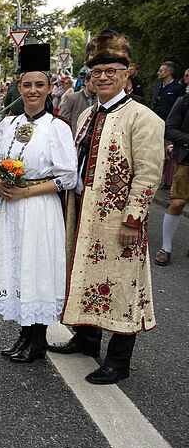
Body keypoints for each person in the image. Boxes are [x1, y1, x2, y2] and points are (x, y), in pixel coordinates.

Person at [51, 30, 164, 385]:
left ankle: (119, 360)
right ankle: (86, 339)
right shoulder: (86, 116)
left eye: (111, 70)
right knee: (85, 276)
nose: (102, 76)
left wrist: (133, 220)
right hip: (84, 212)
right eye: (96, 71)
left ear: (127, 72)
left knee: (120, 284)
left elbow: (148, 175)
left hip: (119, 219)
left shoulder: (143, 118)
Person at [0, 44, 78, 363]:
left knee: (36, 268)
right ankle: (24, 335)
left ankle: (37, 340)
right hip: (10, 209)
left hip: (38, 208)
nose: (33, 90)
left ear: (50, 87)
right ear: (19, 86)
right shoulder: (8, 124)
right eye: (27, 84)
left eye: (40, 84)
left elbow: (68, 177)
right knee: (16, 267)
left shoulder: (57, 128)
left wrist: (26, 192)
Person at [155, 88, 189, 265]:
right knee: (177, 203)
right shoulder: (183, 102)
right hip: (186, 161)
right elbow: (169, 129)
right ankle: (165, 248)